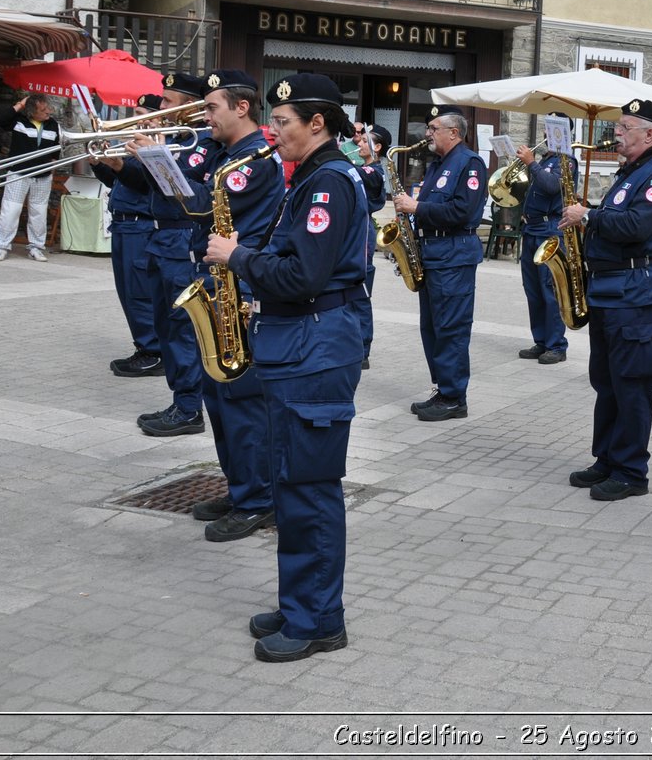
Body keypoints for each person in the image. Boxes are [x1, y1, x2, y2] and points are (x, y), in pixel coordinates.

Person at [204, 72, 367, 663]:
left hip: (315, 349)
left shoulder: (327, 184)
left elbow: (305, 276)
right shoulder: (312, 178)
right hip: (299, 344)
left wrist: (237, 256)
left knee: (309, 490)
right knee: (290, 485)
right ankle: (302, 602)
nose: (272, 134)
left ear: (316, 123)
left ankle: (320, 620)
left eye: (281, 123)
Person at [559, 99, 652, 500]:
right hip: (611, 292)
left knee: (631, 385)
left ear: (649, 135)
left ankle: (631, 471)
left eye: (626, 127)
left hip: (635, 293)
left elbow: (638, 226)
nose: (617, 133)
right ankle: (607, 458)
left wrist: (588, 216)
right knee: (606, 382)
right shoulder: (632, 172)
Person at [188, 71, 285, 540]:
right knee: (219, 397)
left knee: (242, 400)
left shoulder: (252, 159)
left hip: (241, 287)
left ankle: (258, 499)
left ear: (240, 107)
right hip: (218, 281)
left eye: (211, 107)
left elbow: (200, 206)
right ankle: (240, 485)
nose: (205, 116)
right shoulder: (225, 156)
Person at [114, 73, 222, 438]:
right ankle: (181, 400)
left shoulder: (204, 142)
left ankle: (190, 407)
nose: (161, 108)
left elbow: (188, 192)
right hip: (162, 240)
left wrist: (154, 153)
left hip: (183, 241)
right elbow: (149, 186)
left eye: (168, 102)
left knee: (182, 330)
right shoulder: (175, 138)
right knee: (165, 327)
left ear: (190, 106)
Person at [395, 105, 486, 421]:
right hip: (433, 253)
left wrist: (416, 207)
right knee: (431, 327)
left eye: (434, 128)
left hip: (454, 255)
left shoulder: (470, 164)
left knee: (451, 328)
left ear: (454, 133)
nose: (427, 133)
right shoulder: (437, 164)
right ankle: (442, 387)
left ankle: (454, 397)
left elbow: (462, 212)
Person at [92, 94, 163, 378]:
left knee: (140, 293)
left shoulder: (158, 144)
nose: (137, 118)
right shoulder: (135, 143)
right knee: (127, 293)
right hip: (123, 223)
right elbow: (120, 182)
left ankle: (153, 350)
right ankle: (143, 346)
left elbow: (145, 184)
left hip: (141, 224)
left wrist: (121, 165)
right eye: (135, 112)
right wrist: (101, 164)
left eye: (143, 113)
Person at [516, 115, 576, 366]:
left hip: (549, 229)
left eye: (550, 131)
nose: (545, 135)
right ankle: (540, 339)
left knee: (549, 289)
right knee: (532, 290)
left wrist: (531, 164)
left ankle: (556, 345)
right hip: (532, 229)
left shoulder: (567, 161)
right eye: (545, 130)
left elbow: (552, 187)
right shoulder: (545, 160)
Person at [0, 94, 64, 262]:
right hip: (19, 173)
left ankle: (36, 247)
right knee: (11, 209)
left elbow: (56, 148)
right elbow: (1, 120)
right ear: (32, 112)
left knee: (38, 212)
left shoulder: (53, 125)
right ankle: (2, 246)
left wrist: (52, 165)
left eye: (48, 108)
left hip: (43, 175)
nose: (48, 112)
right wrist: (20, 104)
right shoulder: (19, 121)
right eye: (43, 109)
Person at [347, 123, 388, 369]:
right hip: (355, 230)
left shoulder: (375, 171)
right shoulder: (364, 167)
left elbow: (355, 176)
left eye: (364, 141)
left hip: (363, 233)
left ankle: (363, 349)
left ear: (377, 147)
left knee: (360, 294)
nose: (359, 144)